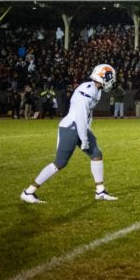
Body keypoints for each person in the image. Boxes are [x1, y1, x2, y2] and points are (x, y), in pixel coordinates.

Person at [20, 64, 119, 204]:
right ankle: (28, 192)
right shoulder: (88, 89)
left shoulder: (97, 90)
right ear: (105, 77)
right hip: (71, 127)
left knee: (96, 154)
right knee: (60, 163)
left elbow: (87, 114)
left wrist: (87, 130)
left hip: (80, 126)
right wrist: (84, 137)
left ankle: (100, 191)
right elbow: (80, 114)